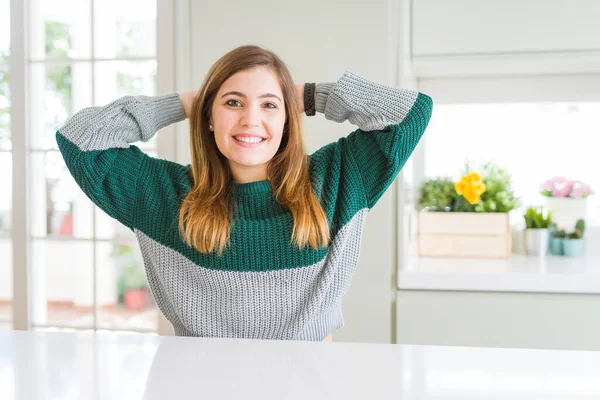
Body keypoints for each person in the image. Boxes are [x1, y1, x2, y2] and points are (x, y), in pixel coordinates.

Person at [57, 45, 433, 341]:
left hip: (309, 384)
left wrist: (310, 96)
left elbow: (412, 112)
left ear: (288, 119)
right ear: (209, 116)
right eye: (232, 102)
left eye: (270, 105)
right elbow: (80, 138)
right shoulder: (163, 195)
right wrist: (188, 102)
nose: (250, 119)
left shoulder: (338, 178)